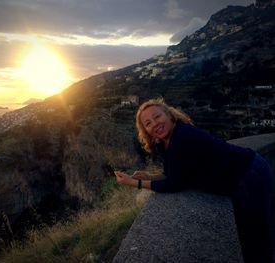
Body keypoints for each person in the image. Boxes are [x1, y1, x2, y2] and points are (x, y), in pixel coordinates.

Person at [115, 98, 273, 263]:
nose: (154, 124)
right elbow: (174, 173)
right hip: (241, 177)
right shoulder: (165, 142)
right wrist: (150, 177)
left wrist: (133, 183)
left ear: (169, 115)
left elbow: (174, 184)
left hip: (250, 174)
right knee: (249, 237)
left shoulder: (182, 136)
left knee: (255, 238)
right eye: (148, 123)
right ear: (146, 131)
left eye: (157, 117)